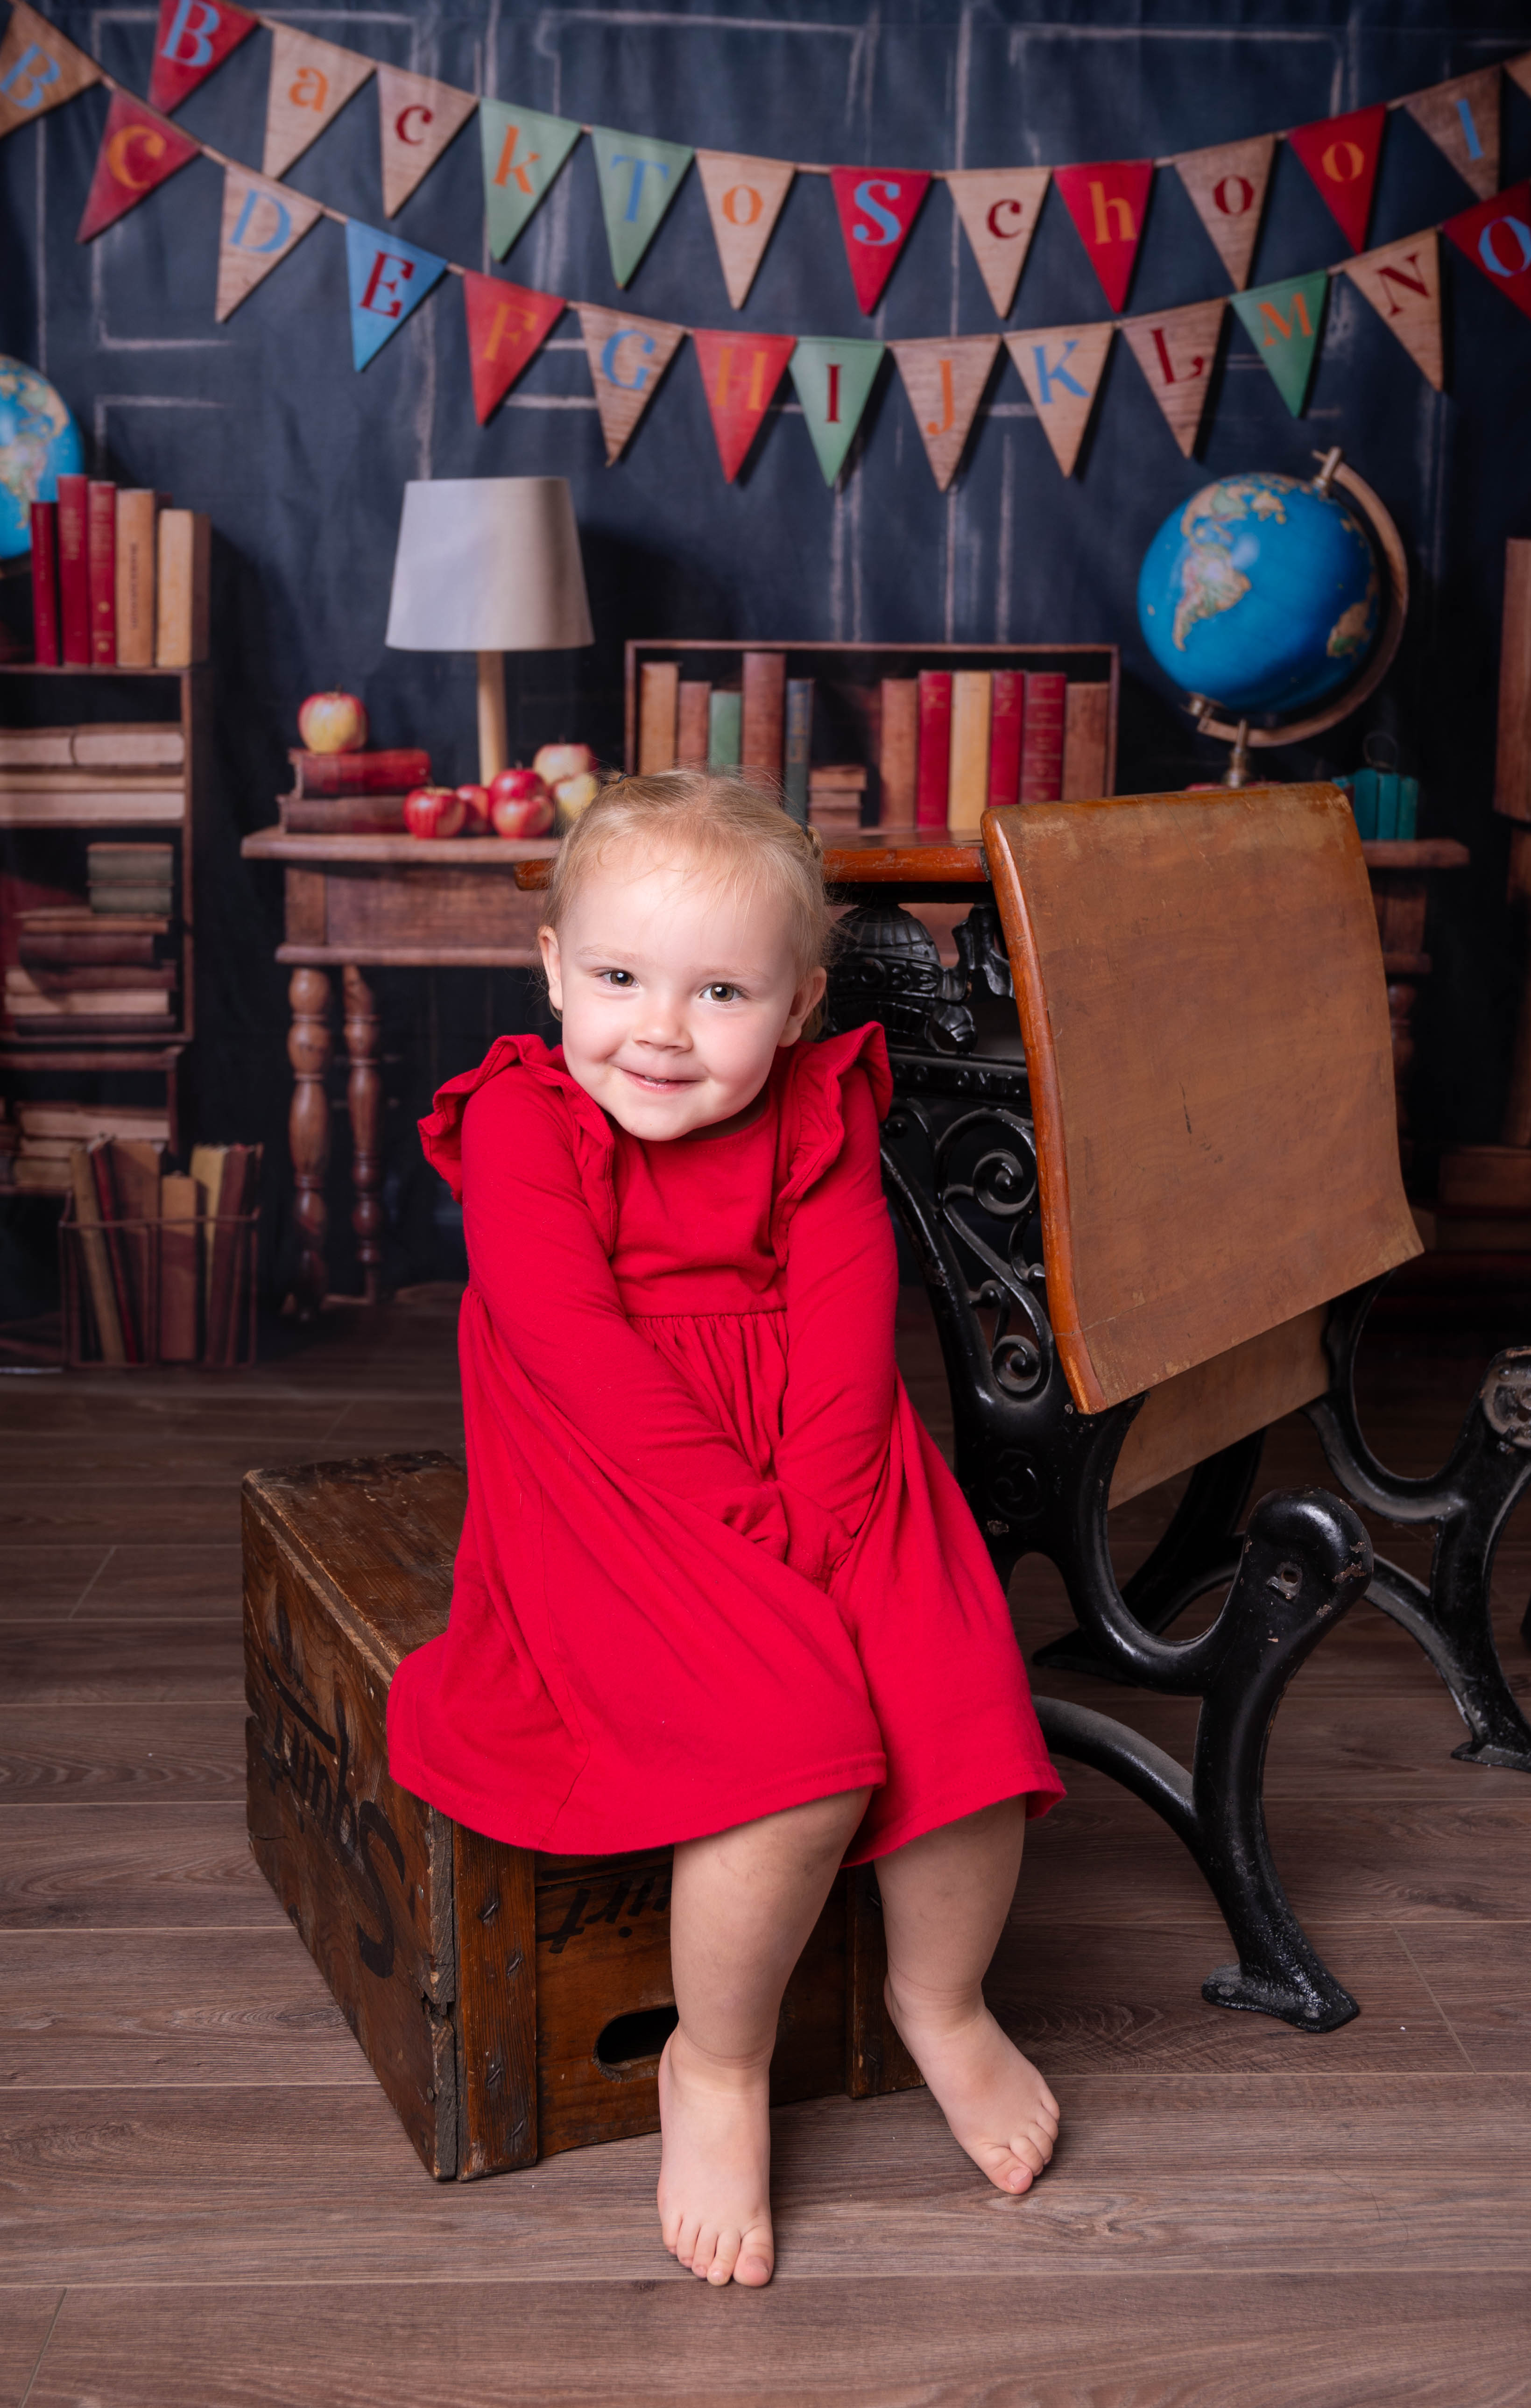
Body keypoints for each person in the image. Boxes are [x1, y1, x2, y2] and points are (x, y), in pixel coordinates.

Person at [388, 770, 1065, 2289]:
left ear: (801, 1003)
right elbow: (571, 1345)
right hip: (615, 1464)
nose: (663, 1030)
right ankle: (717, 2059)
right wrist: (736, 1517)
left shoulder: (818, 1109)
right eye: (619, 978)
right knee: (787, 1750)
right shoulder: (520, 1121)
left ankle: (942, 2000)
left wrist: (826, 1509)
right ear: (555, 967)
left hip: (820, 1453)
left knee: (953, 1701)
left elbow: (846, 1320)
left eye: (722, 992)